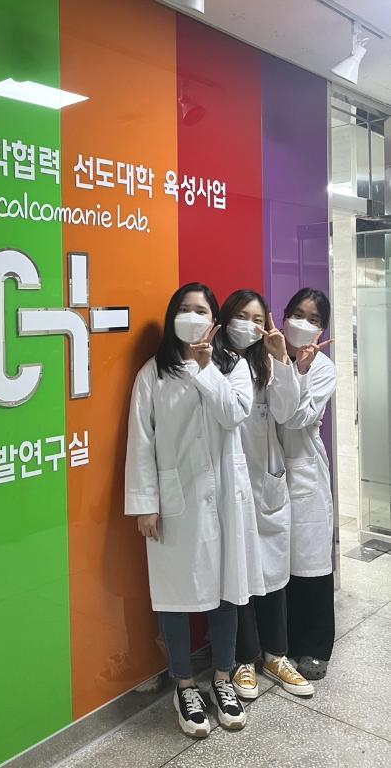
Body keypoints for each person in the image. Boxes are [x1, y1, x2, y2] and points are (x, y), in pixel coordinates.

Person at [125, 282, 264, 738]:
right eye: (184, 309)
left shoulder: (233, 366)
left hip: (225, 499)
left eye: (201, 310)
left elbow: (234, 415)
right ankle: (184, 686)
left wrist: (206, 369)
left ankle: (222, 678)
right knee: (175, 595)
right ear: (172, 318)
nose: (192, 316)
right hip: (175, 503)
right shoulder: (152, 374)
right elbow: (141, 442)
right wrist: (145, 504)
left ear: (214, 322)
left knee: (226, 589)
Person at [217, 290, 314, 701]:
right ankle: (244, 659)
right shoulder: (211, 363)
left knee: (272, 572)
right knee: (238, 573)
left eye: (258, 319)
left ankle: (276, 655)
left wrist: (283, 359)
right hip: (225, 481)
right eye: (242, 316)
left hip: (264, 479)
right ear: (226, 318)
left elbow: (286, 412)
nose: (250, 326)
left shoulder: (266, 362)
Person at [277, 288, 336, 681]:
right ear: (283, 316)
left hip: (304, 470)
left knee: (309, 563)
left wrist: (298, 370)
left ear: (321, 330)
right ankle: (278, 645)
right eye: (297, 314)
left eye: (313, 319)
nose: (303, 323)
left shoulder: (324, 368)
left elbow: (296, 418)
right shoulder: (264, 357)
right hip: (264, 471)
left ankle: (314, 646)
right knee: (274, 564)